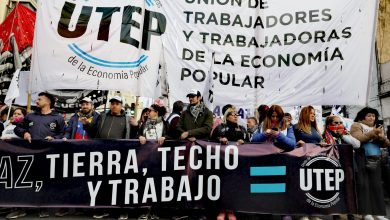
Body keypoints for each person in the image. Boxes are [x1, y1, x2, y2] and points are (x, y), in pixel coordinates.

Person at [14, 92, 65, 218]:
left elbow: (65, 134)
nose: (37, 101)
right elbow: (17, 128)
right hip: (29, 154)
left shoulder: (58, 118)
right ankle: (23, 208)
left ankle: (43, 208)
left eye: (39, 99)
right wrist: (24, 133)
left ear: (47, 102)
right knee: (27, 182)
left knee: (45, 182)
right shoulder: (30, 116)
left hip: (49, 155)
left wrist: (54, 137)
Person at [93, 96, 132, 220]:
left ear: (121, 106)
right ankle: (103, 209)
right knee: (103, 183)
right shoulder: (103, 116)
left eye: (116, 103)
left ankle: (122, 210)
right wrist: (87, 126)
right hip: (102, 155)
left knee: (120, 184)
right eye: (112, 103)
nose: (114, 105)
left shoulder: (127, 119)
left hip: (119, 156)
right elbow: (94, 131)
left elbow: (133, 135)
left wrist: (136, 126)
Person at [350, 107, 389, 220]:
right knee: (364, 185)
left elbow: (386, 143)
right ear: (363, 117)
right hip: (362, 158)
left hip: (376, 158)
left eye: (373, 115)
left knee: (376, 185)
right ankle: (366, 213)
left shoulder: (377, 127)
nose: (372, 117)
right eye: (369, 115)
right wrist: (373, 133)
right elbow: (359, 138)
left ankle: (379, 213)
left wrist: (382, 138)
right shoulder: (356, 125)